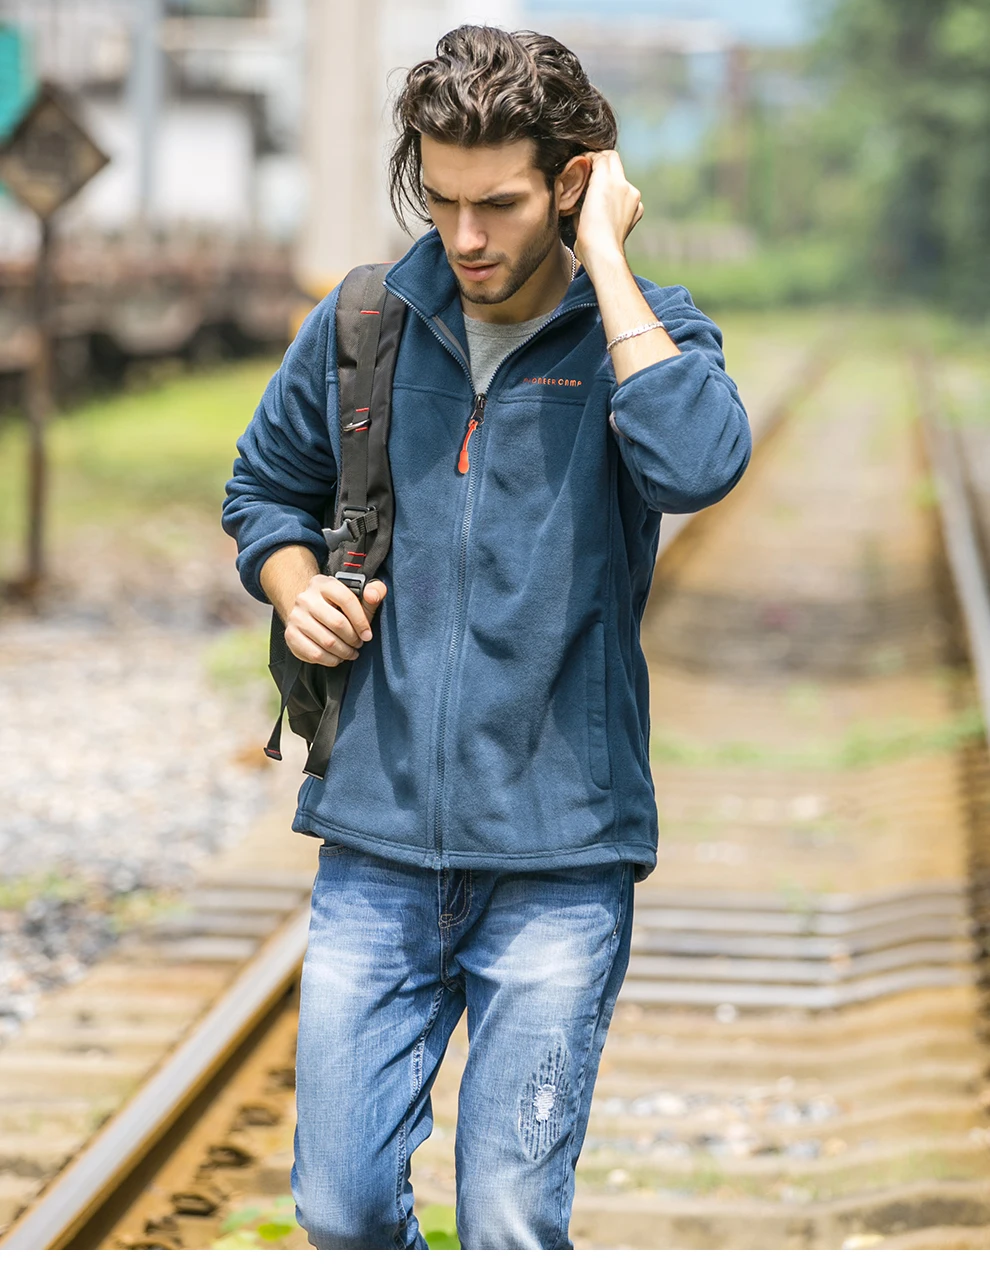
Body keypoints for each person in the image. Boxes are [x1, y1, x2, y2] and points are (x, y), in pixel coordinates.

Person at [222, 25, 751, 1250]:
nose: (465, 239)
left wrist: (605, 264)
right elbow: (264, 491)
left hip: (562, 863)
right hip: (376, 843)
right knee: (341, 1210)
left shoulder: (646, 339)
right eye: (443, 200)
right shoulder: (367, 319)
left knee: (511, 1221)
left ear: (571, 183)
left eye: (501, 205)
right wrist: (295, 583)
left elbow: (698, 461)